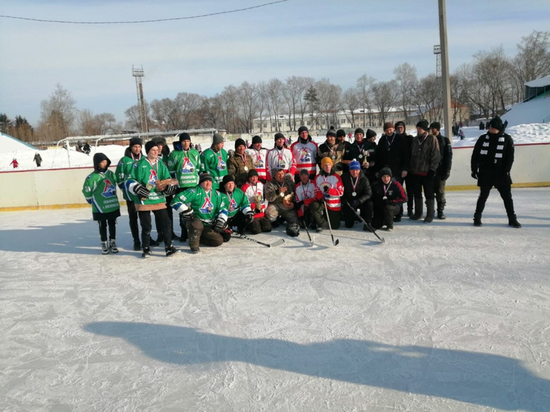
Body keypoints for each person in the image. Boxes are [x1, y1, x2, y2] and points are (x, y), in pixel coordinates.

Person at [126, 140, 178, 258]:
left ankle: (168, 247)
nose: (156, 152)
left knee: (166, 223)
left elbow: (167, 179)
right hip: (144, 200)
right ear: (148, 151)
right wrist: (137, 188)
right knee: (146, 226)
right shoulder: (138, 164)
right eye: (153, 150)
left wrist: (167, 187)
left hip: (158, 199)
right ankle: (146, 248)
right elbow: (129, 180)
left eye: (157, 150)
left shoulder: (161, 164)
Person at [471, 116, 521, 228]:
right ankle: (477, 218)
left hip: (501, 173)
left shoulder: (507, 139)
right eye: (489, 127)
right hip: (486, 172)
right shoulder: (483, 138)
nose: (489, 129)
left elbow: (510, 157)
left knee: (507, 197)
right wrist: (474, 169)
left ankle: (512, 219)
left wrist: (507, 171)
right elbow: (475, 155)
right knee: (483, 196)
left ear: (498, 128)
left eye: (492, 128)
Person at [171, 173, 229, 253]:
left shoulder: (217, 194)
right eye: (205, 181)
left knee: (218, 241)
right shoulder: (194, 191)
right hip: (195, 220)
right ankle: (193, 243)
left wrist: (220, 220)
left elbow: (223, 209)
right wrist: (186, 211)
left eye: (210, 181)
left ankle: (200, 237)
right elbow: (175, 201)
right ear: (201, 182)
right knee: (197, 224)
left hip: (209, 223)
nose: (208, 183)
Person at [82, 153, 121, 254]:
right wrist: (90, 200)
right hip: (100, 206)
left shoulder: (111, 174)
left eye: (105, 161)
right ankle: (103, 242)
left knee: (112, 224)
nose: (104, 163)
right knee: (102, 225)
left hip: (112, 204)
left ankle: (112, 241)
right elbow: (87, 190)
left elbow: (117, 184)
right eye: (102, 162)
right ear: (97, 163)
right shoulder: (92, 177)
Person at [167, 132, 201, 242]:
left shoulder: (195, 153)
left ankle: (194, 231)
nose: (186, 143)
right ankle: (183, 232)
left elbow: (198, 168)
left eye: (187, 141)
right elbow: (171, 171)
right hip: (181, 187)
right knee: (183, 212)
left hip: (193, 186)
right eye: (184, 141)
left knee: (194, 210)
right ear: (180, 142)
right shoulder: (174, 154)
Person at [375, 122, 409, 221]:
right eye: (386, 130)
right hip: (385, 172)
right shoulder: (382, 140)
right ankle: (387, 212)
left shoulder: (400, 139)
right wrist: (378, 170)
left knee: (397, 192)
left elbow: (405, 155)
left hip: (397, 171)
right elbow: (378, 156)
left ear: (393, 129)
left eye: (390, 129)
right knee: (386, 192)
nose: (389, 131)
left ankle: (399, 213)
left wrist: (405, 169)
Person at [408, 120, 441, 223]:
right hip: (415, 172)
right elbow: (411, 155)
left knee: (429, 194)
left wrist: (432, 169)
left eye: (420, 128)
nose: (418, 130)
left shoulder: (432, 139)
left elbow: (436, 155)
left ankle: (430, 214)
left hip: (427, 172)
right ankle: (418, 213)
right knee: (417, 194)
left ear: (425, 129)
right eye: (417, 128)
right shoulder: (414, 140)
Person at [115, 137, 144, 250]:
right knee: (133, 218)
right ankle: (136, 240)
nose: (137, 149)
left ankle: (146, 238)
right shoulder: (124, 161)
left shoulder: (144, 159)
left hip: (143, 195)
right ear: (131, 147)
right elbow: (119, 177)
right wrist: (126, 190)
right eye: (135, 146)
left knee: (144, 218)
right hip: (130, 196)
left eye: (139, 147)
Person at [264, 168, 300, 237]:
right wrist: (278, 191)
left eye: (282, 174)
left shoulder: (289, 182)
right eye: (278, 174)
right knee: (270, 215)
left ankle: (283, 218)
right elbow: (269, 198)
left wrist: (293, 204)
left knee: (295, 220)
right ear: (274, 176)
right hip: (275, 205)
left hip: (287, 206)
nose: (281, 176)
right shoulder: (270, 184)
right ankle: (277, 220)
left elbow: (296, 194)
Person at [372, 167, 407, 231]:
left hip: (393, 207)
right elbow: (373, 197)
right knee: (376, 225)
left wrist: (392, 201)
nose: (386, 179)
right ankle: (382, 220)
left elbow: (404, 198)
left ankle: (389, 225)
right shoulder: (376, 185)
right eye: (384, 177)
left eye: (388, 176)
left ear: (390, 177)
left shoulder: (396, 184)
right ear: (381, 177)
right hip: (381, 206)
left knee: (388, 207)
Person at [313, 157, 344, 230]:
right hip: (323, 202)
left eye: (329, 165)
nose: (327, 167)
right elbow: (316, 190)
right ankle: (322, 223)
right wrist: (320, 197)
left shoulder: (336, 177)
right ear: (322, 166)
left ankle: (329, 218)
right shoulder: (318, 177)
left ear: (331, 165)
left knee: (334, 226)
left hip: (333, 204)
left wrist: (329, 190)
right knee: (314, 206)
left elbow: (341, 192)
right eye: (325, 165)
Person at [429, 122, 453, 219]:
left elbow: (449, 156)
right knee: (430, 192)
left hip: (440, 170)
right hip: (430, 170)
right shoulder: (428, 140)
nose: (431, 130)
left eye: (433, 128)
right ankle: (431, 211)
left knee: (440, 192)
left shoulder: (444, 140)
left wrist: (447, 170)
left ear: (437, 129)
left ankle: (440, 211)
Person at [219, 174, 254, 240]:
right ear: (224, 185)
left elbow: (245, 203)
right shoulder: (219, 194)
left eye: (232, 183)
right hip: (225, 217)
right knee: (226, 238)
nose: (231, 185)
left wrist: (248, 212)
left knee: (247, 216)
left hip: (235, 215)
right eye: (228, 183)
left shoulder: (238, 192)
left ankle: (241, 230)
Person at [341, 159, 373, 229]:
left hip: (360, 201)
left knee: (369, 204)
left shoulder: (364, 179)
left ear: (359, 170)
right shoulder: (344, 177)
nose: (354, 172)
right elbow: (339, 190)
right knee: (348, 225)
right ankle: (353, 216)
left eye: (356, 170)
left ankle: (368, 223)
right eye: (352, 170)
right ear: (349, 170)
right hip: (349, 202)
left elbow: (368, 194)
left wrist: (359, 201)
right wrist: (344, 200)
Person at [394, 121, 415, 217]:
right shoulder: (394, 140)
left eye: (401, 127)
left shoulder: (409, 139)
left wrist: (407, 168)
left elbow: (411, 155)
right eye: (398, 127)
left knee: (410, 191)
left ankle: (410, 210)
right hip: (398, 170)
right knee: (399, 191)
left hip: (409, 169)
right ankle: (399, 211)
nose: (400, 128)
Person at [241, 170, 272, 234]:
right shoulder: (245, 187)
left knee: (268, 228)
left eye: (256, 177)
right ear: (249, 178)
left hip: (261, 212)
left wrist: (263, 206)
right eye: (252, 177)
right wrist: (253, 206)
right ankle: (248, 224)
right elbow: (243, 202)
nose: (254, 179)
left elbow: (265, 198)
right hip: (252, 213)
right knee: (256, 230)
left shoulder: (261, 185)